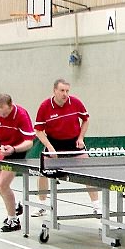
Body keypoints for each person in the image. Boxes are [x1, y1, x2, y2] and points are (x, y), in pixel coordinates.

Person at [33, 79, 100, 216]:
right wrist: (49, 147)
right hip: (54, 143)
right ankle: (42, 206)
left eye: (67, 91)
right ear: (55, 91)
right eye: (62, 90)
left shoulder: (75, 102)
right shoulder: (45, 106)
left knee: (89, 173)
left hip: (74, 142)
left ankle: (97, 206)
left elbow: (86, 119)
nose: (65, 94)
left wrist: (81, 138)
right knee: (42, 172)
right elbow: (38, 130)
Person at [0, 93, 35, 232]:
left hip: (16, 151)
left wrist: (13, 149)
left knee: (3, 184)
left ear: (11, 106)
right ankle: (14, 206)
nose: (1, 116)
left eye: (4, 113)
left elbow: (29, 142)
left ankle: (13, 220)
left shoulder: (22, 115)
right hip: (1, 149)